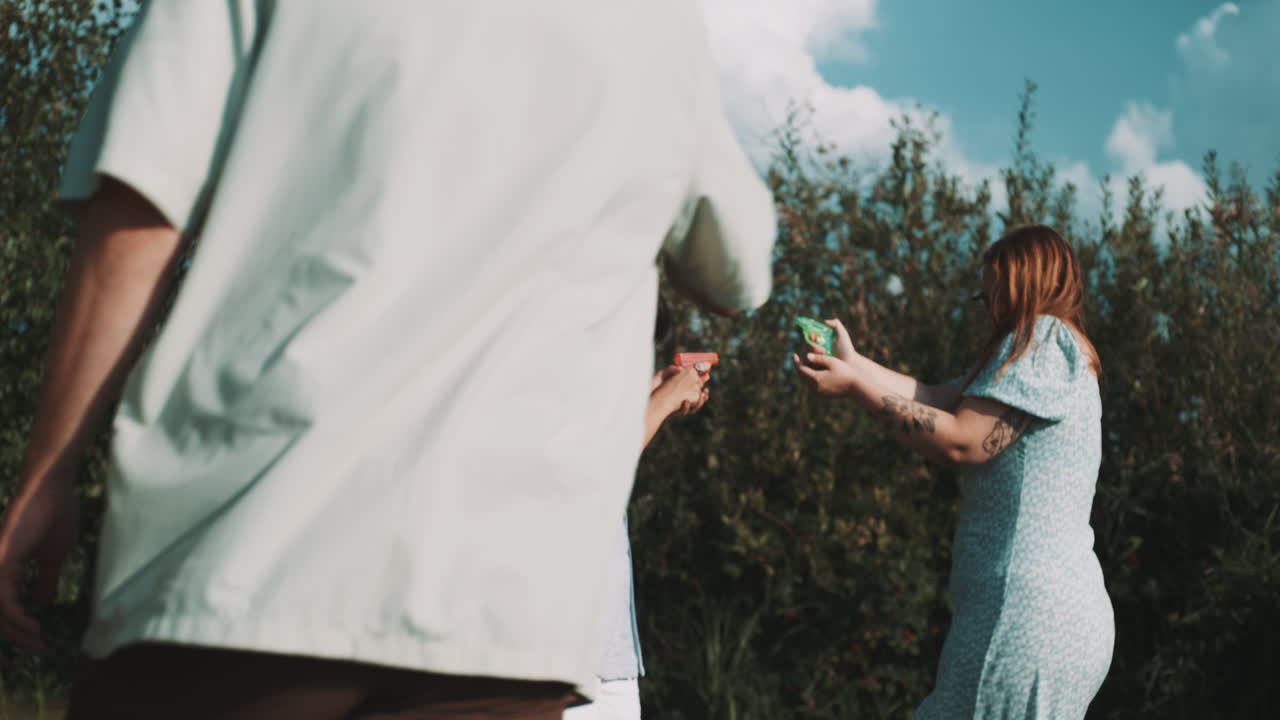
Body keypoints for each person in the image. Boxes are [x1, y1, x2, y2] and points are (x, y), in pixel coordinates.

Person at [0, 1, 776, 718]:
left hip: (242, 562)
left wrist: (48, 472)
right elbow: (740, 273)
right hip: (502, 623)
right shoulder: (655, 24)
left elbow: (142, 204)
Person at [794, 225, 1114, 719]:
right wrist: (854, 365)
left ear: (1025, 287)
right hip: (1049, 616)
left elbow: (963, 440)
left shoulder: (1043, 340)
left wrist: (856, 389)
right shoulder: (1048, 352)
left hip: (1026, 612)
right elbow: (936, 398)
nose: (987, 309)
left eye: (995, 295)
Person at [566, 299, 711, 720]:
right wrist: (664, 399)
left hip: (610, 667)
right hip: (560, 666)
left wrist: (652, 392)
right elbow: (593, 470)